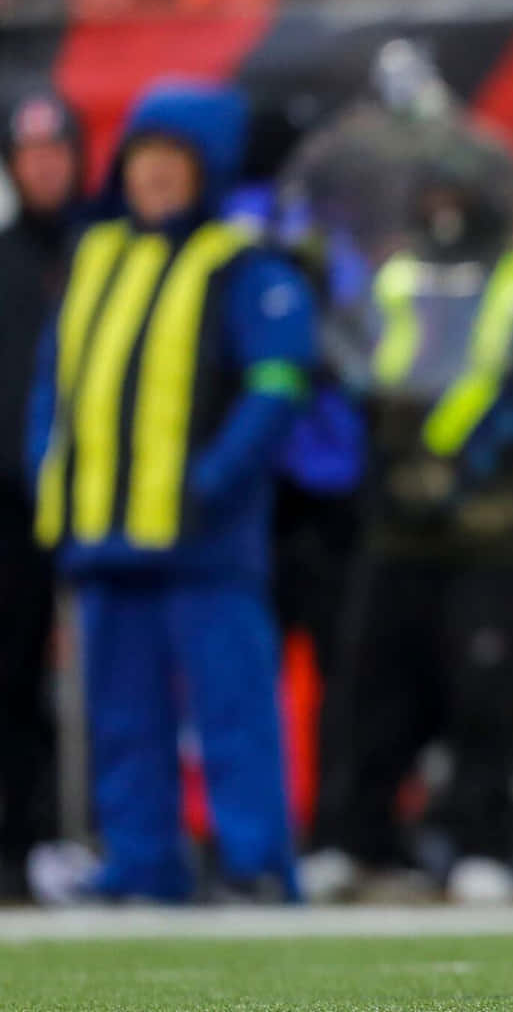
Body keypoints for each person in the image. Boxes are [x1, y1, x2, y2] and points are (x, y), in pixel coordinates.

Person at [299, 47, 513, 905]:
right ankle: (353, 840)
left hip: (498, 528)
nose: (443, 207)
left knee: (486, 697)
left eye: (456, 193)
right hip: (399, 522)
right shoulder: (397, 277)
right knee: (370, 695)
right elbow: (355, 367)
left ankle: (480, 842)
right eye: (431, 193)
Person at [27, 80, 315, 902]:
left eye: (172, 162)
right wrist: (50, 465)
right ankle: (141, 860)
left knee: (232, 711)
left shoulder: (241, 266)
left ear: (209, 171)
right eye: (142, 160)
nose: (153, 178)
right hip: (105, 532)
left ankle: (255, 861)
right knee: (120, 715)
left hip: (204, 539)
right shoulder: (98, 258)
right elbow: (58, 380)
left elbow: (276, 386)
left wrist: (215, 479)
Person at [0, 91, 84, 901]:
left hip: (106, 502)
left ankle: (96, 842)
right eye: (30, 155)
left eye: (57, 151)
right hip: (10, 507)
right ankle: (18, 846)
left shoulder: (106, 254)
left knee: (116, 690)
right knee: (12, 683)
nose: (44, 167)